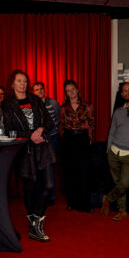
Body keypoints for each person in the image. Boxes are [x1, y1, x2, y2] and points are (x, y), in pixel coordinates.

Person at [2, 69, 55, 242]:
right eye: (19, 81)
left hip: (43, 148)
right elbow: (9, 129)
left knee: (47, 185)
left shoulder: (35, 100)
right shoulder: (9, 104)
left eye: (25, 81)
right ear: (12, 84)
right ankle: (35, 226)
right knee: (30, 188)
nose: (23, 84)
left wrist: (40, 129)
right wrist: (29, 134)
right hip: (25, 150)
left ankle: (37, 221)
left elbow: (49, 121)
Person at [101, 82, 129, 221]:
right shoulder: (118, 111)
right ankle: (122, 210)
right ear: (121, 94)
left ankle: (107, 199)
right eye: (124, 91)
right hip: (114, 152)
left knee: (125, 183)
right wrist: (109, 149)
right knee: (118, 183)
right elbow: (112, 131)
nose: (127, 93)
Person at [58, 79, 95, 212]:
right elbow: (61, 126)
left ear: (77, 90)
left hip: (82, 139)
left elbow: (91, 124)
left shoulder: (87, 106)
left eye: (72, 89)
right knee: (69, 172)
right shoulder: (63, 108)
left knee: (84, 172)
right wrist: (64, 142)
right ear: (66, 93)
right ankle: (71, 202)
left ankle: (85, 204)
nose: (71, 92)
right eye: (68, 91)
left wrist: (89, 141)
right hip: (68, 140)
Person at [32, 81, 60, 203]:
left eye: (41, 89)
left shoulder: (53, 103)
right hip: (38, 140)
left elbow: (57, 120)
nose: (40, 91)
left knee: (51, 167)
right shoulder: (32, 105)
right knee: (39, 168)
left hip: (52, 138)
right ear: (33, 92)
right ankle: (40, 195)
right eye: (37, 89)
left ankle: (51, 197)